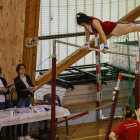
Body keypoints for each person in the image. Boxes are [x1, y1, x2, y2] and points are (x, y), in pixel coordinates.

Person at [76, 12, 140, 53]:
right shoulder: (86, 24)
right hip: (107, 25)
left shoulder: (94, 22)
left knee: (128, 30)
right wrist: (87, 43)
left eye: (82, 25)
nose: (82, 26)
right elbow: (87, 33)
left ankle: (137, 28)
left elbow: (102, 34)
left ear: (85, 21)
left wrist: (106, 46)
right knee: (122, 28)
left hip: (110, 29)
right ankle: (132, 26)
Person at [14, 64, 36, 140]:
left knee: (27, 117)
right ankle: (19, 136)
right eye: (21, 68)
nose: (23, 69)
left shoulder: (27, 77)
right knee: (21, 117)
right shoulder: (16, 79)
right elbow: (19, 92)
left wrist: (32, 88)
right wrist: (27, 90)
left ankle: (25, 134)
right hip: (21, 100)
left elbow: (31, 85)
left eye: (24, 68)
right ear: (18, 70)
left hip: (28, 99)